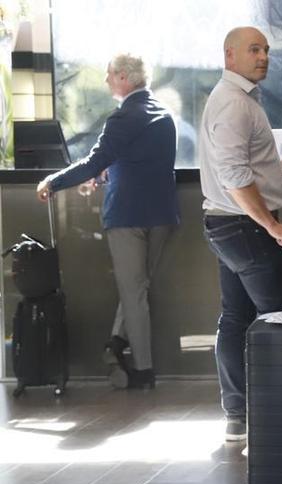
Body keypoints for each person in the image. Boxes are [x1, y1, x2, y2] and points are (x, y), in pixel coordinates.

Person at [36, 53, 179, 390]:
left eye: (109, 74)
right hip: (162, 214)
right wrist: (103, 177)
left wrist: (53, 182)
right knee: (139, 288)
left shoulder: (123, 117)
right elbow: (136, 162)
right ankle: (116, 341)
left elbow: (93, 161)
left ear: (124, 78)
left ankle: (144, 371)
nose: (105, 80)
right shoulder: (163, 115)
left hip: (128, 216)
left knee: (133, 292)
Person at [198, 26, 282, 442]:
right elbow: (231, 175)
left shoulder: (237, 100)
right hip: (243, 227)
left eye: (265, 49)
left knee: (237, 318)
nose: (263, 56)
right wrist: (272, 224)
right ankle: (281, 414)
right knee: (279, 318)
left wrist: (276, 170)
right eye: (253, 50)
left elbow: (237, 168)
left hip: (230, 224)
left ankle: (239, 415)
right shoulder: (233, 104)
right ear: (230, 56)